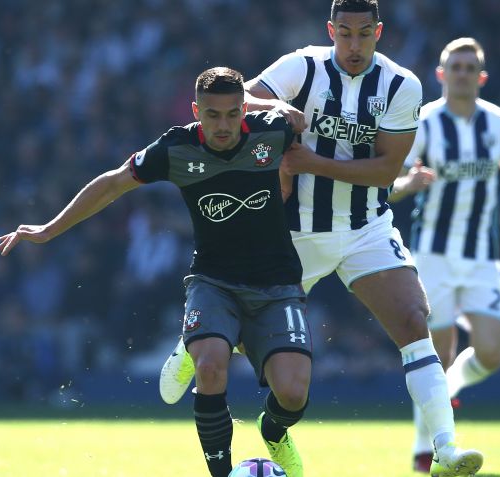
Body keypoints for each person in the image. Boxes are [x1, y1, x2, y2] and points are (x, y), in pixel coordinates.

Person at [160, 1, 483, 475]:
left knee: (415, 322)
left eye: (364, 34)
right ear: (331, 30)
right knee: (245, 341)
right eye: (345, 33)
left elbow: (385, 171)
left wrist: (312, 162)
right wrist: (277, 106)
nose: (354, 45)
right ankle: (194, 340)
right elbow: (237, 100)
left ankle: (445, 449)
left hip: (365, 228)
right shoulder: (302, 66)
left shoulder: (401, 85)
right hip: (292, 235)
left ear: (378, 32)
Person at [0, 67, 312, 477]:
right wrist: (49, 229)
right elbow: (113, 183)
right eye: (212, 115)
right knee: (211, 367)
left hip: (277, 283)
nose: (223, 125)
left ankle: (273, 430)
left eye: (232, 114)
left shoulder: (271, 131)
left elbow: (300, 124)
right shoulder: (176, 148)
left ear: (244, 109)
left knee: (292, 394)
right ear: (196, 111)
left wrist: (274, 108)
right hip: (214, 282)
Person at [388, 37, 500, 473]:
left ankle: (450, 389)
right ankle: (425, 449)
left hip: (482, 255)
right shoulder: (424, 122)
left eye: (471, 68)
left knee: (492, 352)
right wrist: (410, 184)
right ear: (441, 74)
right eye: (456, 66)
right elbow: (389, 182)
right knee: (438, 352)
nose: (463, 74)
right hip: (433, 255)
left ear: (481, 76)